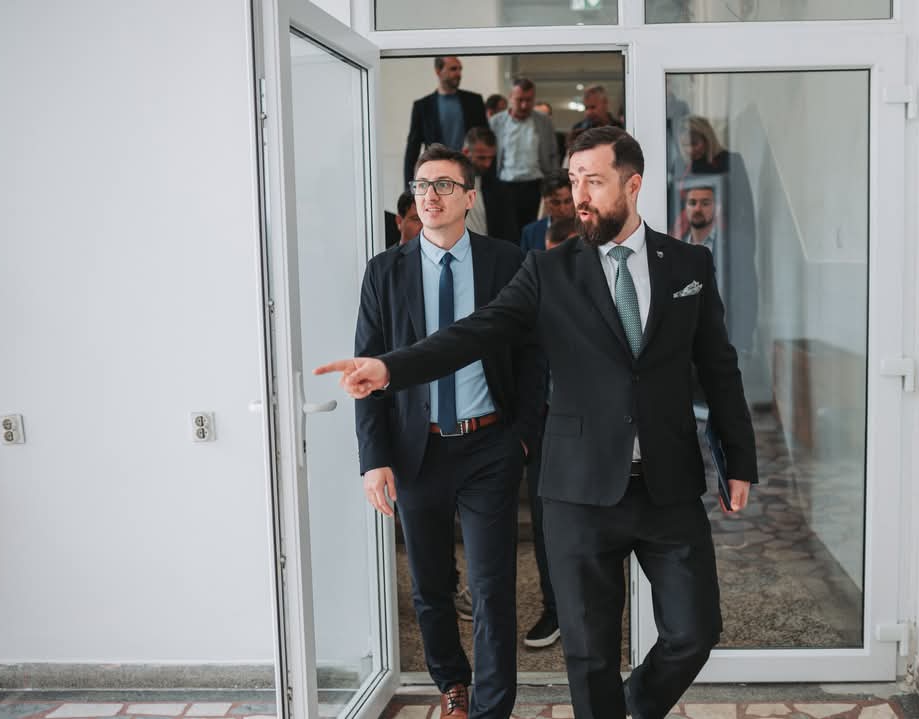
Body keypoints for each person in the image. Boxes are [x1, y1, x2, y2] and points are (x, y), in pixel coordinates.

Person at [317, 127, 758, 719]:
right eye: (574, 180)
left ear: (633, 184)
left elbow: (719, 367)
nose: (580, 195)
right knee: (590, 654)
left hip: (668, 484)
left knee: (694, 632)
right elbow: (473, 334)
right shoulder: (547, 271)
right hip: (578, 490)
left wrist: (738, 457)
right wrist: (389, 367)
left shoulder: (687, 263)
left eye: (594, 181)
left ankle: (635, 704)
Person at [348, 143, 544, 719]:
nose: (429, 196)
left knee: (492, 586)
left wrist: (523, 435)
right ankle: (453, 683)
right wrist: (374, 458)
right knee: (431, 585)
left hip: (490, 445)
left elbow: (533, 355)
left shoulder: (507, 261)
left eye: (443, 185)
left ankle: (493, 707)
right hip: (418, 452)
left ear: (469, 197)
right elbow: (368, 370)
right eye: (421, 185)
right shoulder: (384, 271)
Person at [519, 213, 577, 650]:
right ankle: (554, 610)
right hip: (544, 430)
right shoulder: (531, 302)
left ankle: (588, 613)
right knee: (545, 525)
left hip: (600, 433)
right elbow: (517, 363)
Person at [674, 116, 758, 351]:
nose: (690, 150)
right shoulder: (682, 167)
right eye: (685, 146)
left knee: (735, 293)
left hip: (729, 238)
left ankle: (738, 343)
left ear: (707, 138)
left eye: (695, 144)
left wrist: (746, 243)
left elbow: (744, 206)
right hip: (695, 238)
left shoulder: (730, 161)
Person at [679, 179, 757, 351]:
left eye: (705, 203)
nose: (698, 209)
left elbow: (748, 295)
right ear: (685, 208)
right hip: (686, 346)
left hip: (724, 341)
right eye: (692, 203)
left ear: (716, 207)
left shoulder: (733, 246)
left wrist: (742, 344)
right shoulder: (676, 247)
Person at [489, 77, 559, 243]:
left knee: (535, 233)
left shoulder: (544, 121)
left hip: (536, 185)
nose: (524, 105)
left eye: (529, 100)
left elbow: (553, 153)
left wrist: (553, 183)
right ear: (510, 98)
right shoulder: (496, 122)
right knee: (508, 233)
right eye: (519, 100)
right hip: (505, 185)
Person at [403, 57, 488, 183]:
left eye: (460, 69)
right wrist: (409, 187)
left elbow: (486, 141)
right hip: (437, 174)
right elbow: (412, 149)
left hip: (469, 173)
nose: (458, 73)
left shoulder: (474, 101)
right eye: (453, 69)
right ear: (438, 71)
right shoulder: (422, 106)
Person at [461, 126, 507, 239]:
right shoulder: (447, 183)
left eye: (491, 158)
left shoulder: (498, 189)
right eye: (481, 158)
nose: (487, 164)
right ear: (466, 152)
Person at [519, 170, 575, 254]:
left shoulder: (588, 228)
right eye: (555, 203)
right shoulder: (530, 233)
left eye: (568, 201)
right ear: (545, 202)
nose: (562, 209)